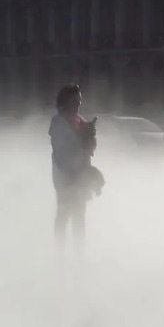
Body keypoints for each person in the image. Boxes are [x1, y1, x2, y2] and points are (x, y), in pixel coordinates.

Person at [49, 84, 97, 249]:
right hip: (65, 174)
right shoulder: (58, 122)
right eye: (75, 100)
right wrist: (82, 136)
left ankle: (79, 251)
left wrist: (90, 135)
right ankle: (60, 251)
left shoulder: (79, 119)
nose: (78, 103)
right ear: (65, 101)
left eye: (80, 100)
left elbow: (90, 149)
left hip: (81, 173)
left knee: (79, 214)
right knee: (63, 212)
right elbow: (61, 149)